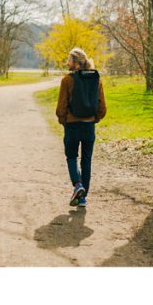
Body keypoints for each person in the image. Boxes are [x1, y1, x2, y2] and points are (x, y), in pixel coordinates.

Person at [55, 47, 106, 207]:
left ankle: (78, 185)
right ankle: (83, 198)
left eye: (69, 60)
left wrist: (63, 120)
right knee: (86, 160)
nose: (67, 62)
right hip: (89, 125)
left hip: (72, 125)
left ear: (76, 63)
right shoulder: (96, 79)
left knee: (71, 157)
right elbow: (102, 105)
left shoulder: (67, 80)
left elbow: (61, 106)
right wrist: (95, 118)